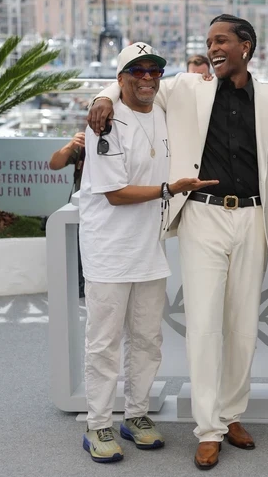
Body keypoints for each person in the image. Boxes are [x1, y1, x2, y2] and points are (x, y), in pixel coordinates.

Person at [88, 15, 268, 470]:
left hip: (256, 217)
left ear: (246, 46)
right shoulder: (186, 88)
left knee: (243, 324)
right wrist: (101, 97)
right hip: (202, 214)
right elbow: (133, 84)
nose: (213, 48)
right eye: (208, 42)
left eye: (221, 41)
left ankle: (231, 414)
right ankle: (208, 429)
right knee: (203, 325)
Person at [79, 42, 216, 464]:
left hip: (149, 249)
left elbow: (197, 84)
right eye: (136, 71)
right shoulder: (104, 124)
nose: (147, 78)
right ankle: (98, 423)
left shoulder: (162, 110)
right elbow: (116, 194)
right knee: (104, 343)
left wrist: (206, 76)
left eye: (154, 71)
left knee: (147, 339)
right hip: (109, 250)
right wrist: (169, 189)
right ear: (120, 78)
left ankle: (135, 414)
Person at [49, 132, 86, 298]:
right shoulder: (83, 147)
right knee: (79, 247)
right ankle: (80, 285)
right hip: (84, 209)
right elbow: (54, 164)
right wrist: (71, 145)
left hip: (112, 208)